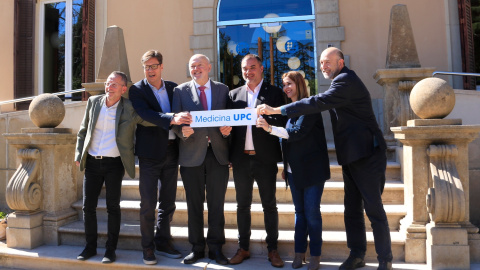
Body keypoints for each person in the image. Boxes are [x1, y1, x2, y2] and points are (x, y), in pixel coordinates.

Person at [257, 47, 393, 270]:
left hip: (368, 155)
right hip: (351, 156)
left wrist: (276, 110)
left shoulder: (346, 81)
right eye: (321, 63)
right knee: (352, 209)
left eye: (328, 62)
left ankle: (385, 260)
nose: (323, 66)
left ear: (340, 62)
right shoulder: (339, 83)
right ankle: (357, 255)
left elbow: (315, 103)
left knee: (374, 210)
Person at [75, 71, 154, 264]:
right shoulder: (94, 103)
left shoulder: (129, 107)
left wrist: (171, 119)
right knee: (88, 207)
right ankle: (90, 247)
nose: (109, 88)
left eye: (114, 85)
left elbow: (148, 120)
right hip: (92, 162)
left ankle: (110, 250)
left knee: (113, 207)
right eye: (108, 84)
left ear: (123, 89)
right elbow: (83, 130)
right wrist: (79, 153)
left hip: (114, 164)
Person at [256, 71, 330, 270]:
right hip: (293, 170)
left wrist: (269, 128)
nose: (286, 88)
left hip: (313, 171)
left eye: (289, 83)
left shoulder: (310, 106)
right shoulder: (289, 111)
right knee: (300, 213)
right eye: (284, 84)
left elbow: (296, 134)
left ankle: (315, 255)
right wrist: (285, 165)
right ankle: (299, 254)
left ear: (299, 84)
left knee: (312, 213)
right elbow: (287, 143)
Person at [129, 50, 191, 265]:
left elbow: (185, 112)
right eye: (146, 67)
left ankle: (163, 241)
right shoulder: (137, 90)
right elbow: (146, 114)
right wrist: (173, 118)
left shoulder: (174, 88)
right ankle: (148, 247)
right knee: (148, 202)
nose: (150, 70)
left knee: (168, 201)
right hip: (149, 154)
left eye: (154, 66)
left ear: (161, 66)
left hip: (173, 149)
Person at [171, 54, 231, 265]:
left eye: (199, 66)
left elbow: (229, 119)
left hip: (218, 155)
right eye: (192, 66)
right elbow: (175, 121)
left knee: (217, 205)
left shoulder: (223, 90)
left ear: (209, 67)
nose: (196, 69)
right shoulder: (180, 91)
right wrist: (181, 132)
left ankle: (216, 249)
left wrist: (226, 132)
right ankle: (196, 248)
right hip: (191, 156)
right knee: (193, 205)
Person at [227, 54, 286, 268]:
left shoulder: (275, 93)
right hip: (241, 160)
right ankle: (243, 248)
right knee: (242, 206)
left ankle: (273, 250)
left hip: (266, 160)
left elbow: (282, 121)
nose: (248, 72)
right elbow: (229, 129)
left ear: (262, 69)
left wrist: (266, 120)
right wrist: (226, 136)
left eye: (252, 67)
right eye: (244, 68)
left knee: (269, 206)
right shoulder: (234, 95)